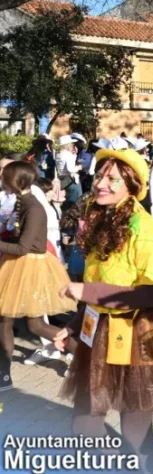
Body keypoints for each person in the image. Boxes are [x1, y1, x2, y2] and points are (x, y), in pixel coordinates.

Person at [55, 148, 153, 473]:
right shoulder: (103, 220)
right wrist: (75, 324)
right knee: (85, 424)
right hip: (100, 332)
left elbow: (151, 294)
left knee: (135, 432)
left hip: (136, 337)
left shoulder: (145, 229)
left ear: (131, 186)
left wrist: (87, 291)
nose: (101, 184)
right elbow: (96, 284)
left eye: (112, 179)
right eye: (99, 176)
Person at [0, 161, 77, 390]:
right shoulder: (22, 202)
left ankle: (80, 353)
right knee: (5, 320)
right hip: (19, 266)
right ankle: (4, 375)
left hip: (30, 267)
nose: (2, 180)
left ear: (16, 180)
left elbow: (25, 247)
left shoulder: (33, 207)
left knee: (35, 325)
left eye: (5, 177)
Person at [56, 135, 83, 209]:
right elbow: (71, 169)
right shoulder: (67, 154)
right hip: (71, 179)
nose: (73, 145)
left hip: (63, 178)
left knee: (68, 199)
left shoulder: (59, 154)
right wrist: (79, 167)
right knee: (75, 200)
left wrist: (74, 155)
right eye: (72, 144)